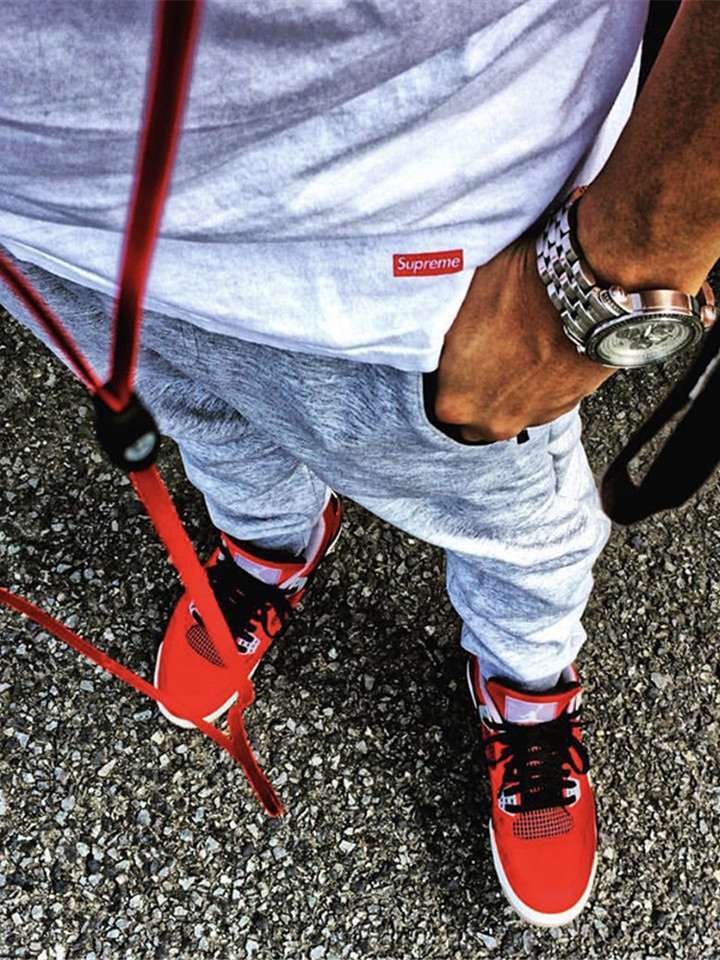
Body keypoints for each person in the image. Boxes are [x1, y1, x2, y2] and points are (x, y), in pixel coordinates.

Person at [1, 0, 718, 929]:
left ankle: (527, 683)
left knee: (514, 524)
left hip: (397, 238)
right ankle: (268, 548)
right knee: (203, 421)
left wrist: (620, 273)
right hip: (50, 232)